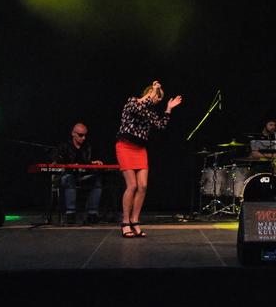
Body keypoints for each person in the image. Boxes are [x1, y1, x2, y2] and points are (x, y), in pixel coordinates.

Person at [116, 81, 182, 238]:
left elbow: (160, 125)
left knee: (143, 186)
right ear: (150, 93)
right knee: (132, 185)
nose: (158, 100)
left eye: (160, 98)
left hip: (140, 149)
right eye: (158, 96)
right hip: (125, 146)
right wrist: (153, 91)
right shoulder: (132, 102)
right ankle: (125, 222)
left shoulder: (150, 112)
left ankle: (135, 220)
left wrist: (168, 109)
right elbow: (139, 108)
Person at [54, 122, 103, 225]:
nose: (83, 138)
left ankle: (92, 214)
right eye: (81, 135)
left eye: (85, 135)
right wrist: (70, 165)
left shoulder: (88, 146)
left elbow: (89, 162)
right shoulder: (64, 146)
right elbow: (56, 163)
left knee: (97, 181)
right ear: (73, 133)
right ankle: (70, 214)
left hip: (83, 176)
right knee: (69, 179)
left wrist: (94, 162)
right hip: (66, 175)